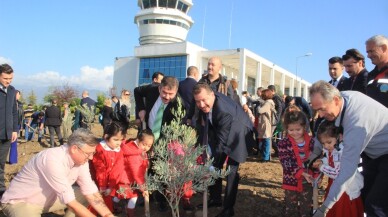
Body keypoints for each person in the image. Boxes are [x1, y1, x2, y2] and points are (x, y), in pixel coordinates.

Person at [309, 80, 388, 217]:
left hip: (385, 153)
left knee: (376, 206)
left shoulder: (356, 123)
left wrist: (324, 209)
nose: (320, 115)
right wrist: (314, 155)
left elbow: (346, 172)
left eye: (322, 109)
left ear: (335, 100)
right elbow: (321, 126)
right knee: (364, 194)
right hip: (374, 153)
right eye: (316, 110)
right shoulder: (342, 98)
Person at [1, 129, 115, 217]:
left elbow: (91, 191)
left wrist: (108, 215)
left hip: (49, 199)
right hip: (22, 202)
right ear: (74, 148)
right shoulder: (52, 159)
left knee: (85, 193)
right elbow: (70, 201)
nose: (91, 158)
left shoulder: (81, 160)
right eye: (88, 153)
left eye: (93, 153)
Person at [193, 82, 255, 217]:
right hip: (225, 130)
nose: (201, 105)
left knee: (231, 171)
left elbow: (222, 143)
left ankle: (228, 209)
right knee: (216, 164)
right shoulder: (209, 102)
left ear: (211, 95)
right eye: (198, 101)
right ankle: (215, 199)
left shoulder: (222, 111)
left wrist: (212, 166)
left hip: (240, 134)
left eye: (204, 100)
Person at [134, 76, 183, 211]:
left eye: (170, 94)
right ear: (159, 88)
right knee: (144, 166)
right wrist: (141, 109)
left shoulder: (178, 104)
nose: (167, 97)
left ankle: (161, 198)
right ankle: (145, 195)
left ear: (176, 91)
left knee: (161, 169)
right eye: (164, 93)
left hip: (163, 140)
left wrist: (158, 146)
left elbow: (174, 131)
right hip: (147, 133)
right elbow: (137, 91)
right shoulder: (151, 89)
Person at [312, 121, 364, 217]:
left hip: (345, 190)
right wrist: (323, 161)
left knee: (343, 212)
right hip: (335, 186)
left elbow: (337, 173)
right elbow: (329, 159)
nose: (326, 146)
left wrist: (321, 167)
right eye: (323, 143)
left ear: (339, 137)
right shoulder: (332, 149)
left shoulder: (342, 152)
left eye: (329, 142)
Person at [277, 109, 314, 217]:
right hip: (291, 181)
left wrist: (316, 173)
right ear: (286, 128)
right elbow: (286, 162)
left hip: (308, 181)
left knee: (306, 207)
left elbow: (317, 159)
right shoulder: (283, 143)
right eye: (291, 130)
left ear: (304, 127)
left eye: (298, 129)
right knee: (290, 207)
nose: (295, 132)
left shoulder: (312, 142)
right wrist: (301, 173)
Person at [113, 129, 154, 217]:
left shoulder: (134, 147)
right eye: (144, 144)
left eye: (149, 146)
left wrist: (146, 163)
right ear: (138, 140)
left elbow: (142, 160)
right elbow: (137, 173)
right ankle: (129, 213)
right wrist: (143, 187)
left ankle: (113, 205)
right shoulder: (134, 154)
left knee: (119, 194)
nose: (146, 148)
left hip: (124, 179)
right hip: (126, 180)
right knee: (133, 197)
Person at [186, 57, 234, 126]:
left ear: (219, 67)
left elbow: (230, 104)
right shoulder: (201, 82)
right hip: (202, 121)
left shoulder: (226, 84)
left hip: (219, 121)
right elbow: (194, 100)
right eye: (208, 64)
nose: (209, 67)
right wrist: (189, 117)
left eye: (212, 65)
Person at [90, 123, 125, 213]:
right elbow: (100, 169)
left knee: (106, 202)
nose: (119, 143)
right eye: (116, 139)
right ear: (106, 137)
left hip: (108, 183)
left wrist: (111, 186)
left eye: (121, 140)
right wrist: (102, 185)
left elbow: (117, 169)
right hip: (95, 181)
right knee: (94, 202)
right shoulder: (99, 149)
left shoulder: (119, 151)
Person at [0, 63, 18, 198]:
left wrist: (14, 130)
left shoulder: (12, 91)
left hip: (7, 134)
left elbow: (14, 112)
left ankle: (1, 191)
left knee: (1, 164)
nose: (8, 81)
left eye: (10, 78)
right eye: (6, 78)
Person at [365, 34, 388, 108]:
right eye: (367, 52)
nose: (368, 55)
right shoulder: (371, 75)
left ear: (384, 48)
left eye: (371, 51)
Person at [256, 89, 275, 162]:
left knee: (266, 140)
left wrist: (258, 106)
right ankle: (266, 157)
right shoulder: (269, 102)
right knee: (266, 140)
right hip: (266, 123)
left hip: (266, 123)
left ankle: (265, 158)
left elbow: (260, 110)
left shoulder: (267, 103)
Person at [9, 90, 23, 164]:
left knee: (14, 142)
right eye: (18, 94)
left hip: (16, 124)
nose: (19, 96)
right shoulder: (8, 102)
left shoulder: (20, 104)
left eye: (19, 95)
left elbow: (21, 115)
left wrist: (20, 125)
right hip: (8, 124)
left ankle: (13, 160)